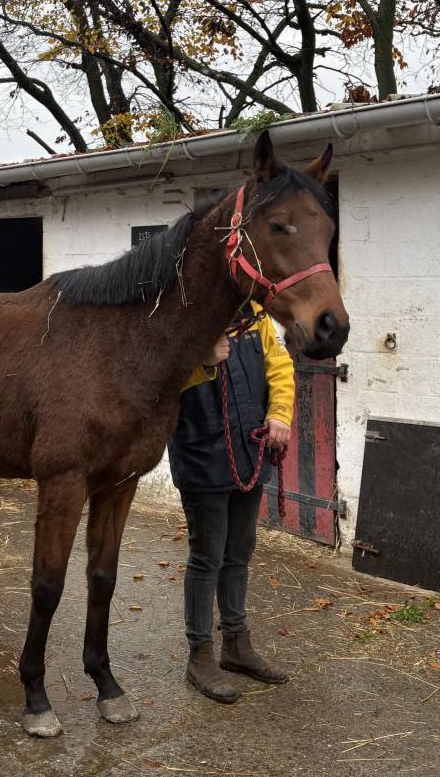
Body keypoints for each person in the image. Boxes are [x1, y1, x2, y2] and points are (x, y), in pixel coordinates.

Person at [168, 300, 294, 703]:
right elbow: (158, 378)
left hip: (249, 447)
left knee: (239, 551)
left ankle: (237, 645)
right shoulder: (183, 313)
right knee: (207, 556)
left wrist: (279, 414)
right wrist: (202, 359)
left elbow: (281, 366)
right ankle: (200, 655)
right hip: (203, 451)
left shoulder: (256, 314)